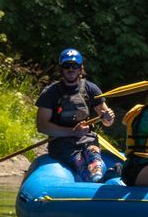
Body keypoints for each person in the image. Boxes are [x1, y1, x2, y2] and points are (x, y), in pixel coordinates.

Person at [35, 47, 115, 181]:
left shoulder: (91, 89)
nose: (71, 69)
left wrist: (109, 117)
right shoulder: (50, 92)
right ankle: (94, 180)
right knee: (79, 161)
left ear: (80, 68)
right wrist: (72, 132)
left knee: (93, 155)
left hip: (87, 140)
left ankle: (101, 177)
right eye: (67, 66)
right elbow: (42, 126)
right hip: (61, 143)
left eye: (74, 66)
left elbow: (107, 122)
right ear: (61, 69)